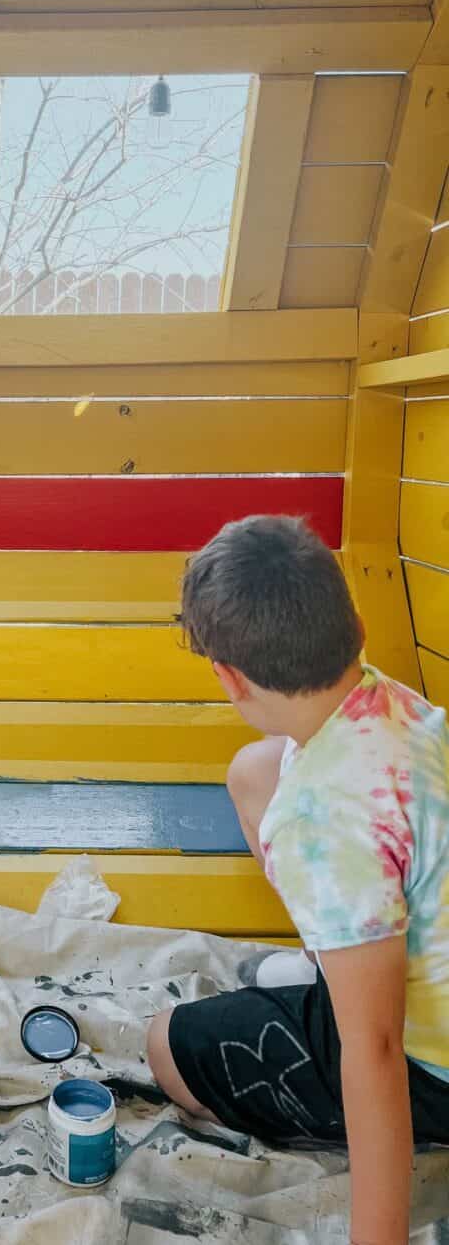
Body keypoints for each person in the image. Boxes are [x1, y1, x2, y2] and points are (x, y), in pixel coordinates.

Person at [145, 515, 449, 1245]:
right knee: (253, 770)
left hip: (430, 1061)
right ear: (355, 624)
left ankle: (336, 979)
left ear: (229, 677)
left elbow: (373, 1050)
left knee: (165, 1045)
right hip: (413, 960)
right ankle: (334, 959)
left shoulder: (321, 819)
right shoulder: (402, 709)